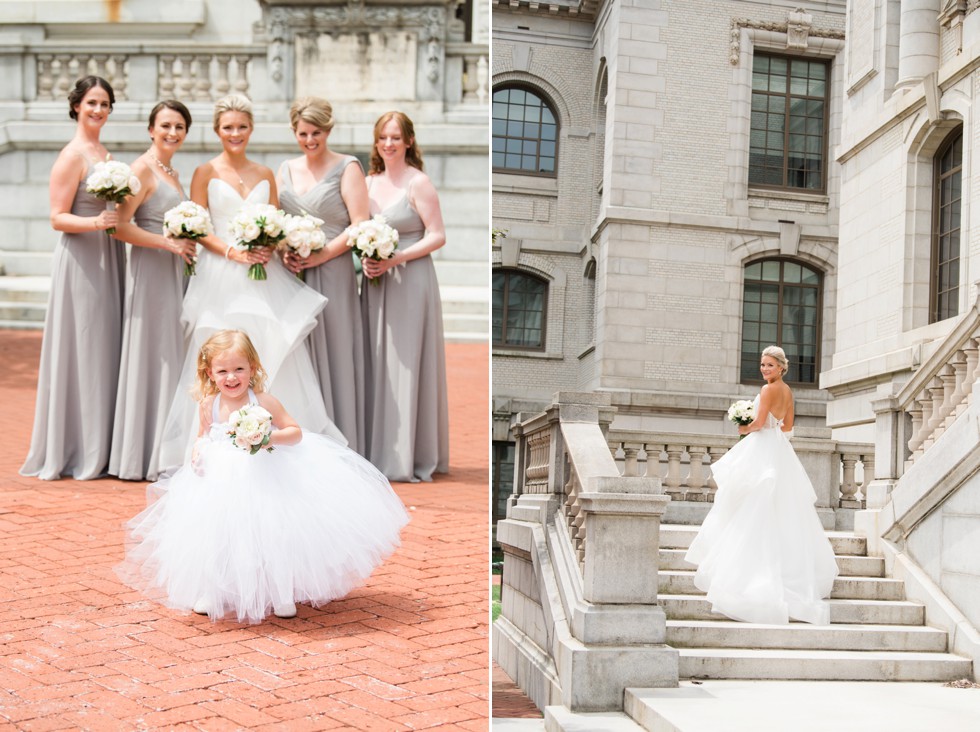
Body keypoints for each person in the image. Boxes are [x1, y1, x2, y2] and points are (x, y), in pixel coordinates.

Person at [117, 330, 409, 623]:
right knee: (220, 534)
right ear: (210, 373)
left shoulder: (265, 402)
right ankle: (214, 590)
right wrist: (197, 452)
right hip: (220, 484)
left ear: (252, 369)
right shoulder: (209, 405)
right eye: (223, 371)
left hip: (266, 479)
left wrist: (269, 437)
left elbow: (294, 433)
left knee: (274, 533)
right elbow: (203, 435)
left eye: (239, 369)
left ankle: (281, 592)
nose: (231, 378)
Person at [155, 94, 343, 474]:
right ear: (217, 131)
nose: (235, 133)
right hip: (220, 275)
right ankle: (208, 447)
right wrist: (232, 252)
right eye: (228, 128)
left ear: (251, 129)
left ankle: (272, 441)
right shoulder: (205, 172)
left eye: (242, 127)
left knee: (270, 352)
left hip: (263, 276)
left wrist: (266, 244)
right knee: (219, 358)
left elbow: (274, 223)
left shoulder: (265, 174)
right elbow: (199, 225)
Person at [685, 346, 839, 625]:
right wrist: (768, 426)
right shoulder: (789, 392)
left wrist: (744, 426)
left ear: (781, 367)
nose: (765, 369)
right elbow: (787, 425)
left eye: (770, 365)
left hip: (763, 447)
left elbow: (757, 423)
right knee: (780, 506)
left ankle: (750, 574)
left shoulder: (768, 390)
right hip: (778, 449)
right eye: (762, 365)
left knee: (752, 503)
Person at [21, 76, 125, 481]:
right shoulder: (72, 155)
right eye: (92, 102)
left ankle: (99, 441)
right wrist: (97, 220)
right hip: (82, 259)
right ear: (77, 106)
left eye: (105, 104)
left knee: (102, 346)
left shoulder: (103, 151)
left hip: (107, 255)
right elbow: (56, 217)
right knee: (83, 346)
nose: (98, 110)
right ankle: (79, 447)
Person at [109, 100, 197, 481]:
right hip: (150, 270)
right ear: (150, 129)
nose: (172, 133)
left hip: (174, 269)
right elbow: (120, 227)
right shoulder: (141, 170)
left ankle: (166, 446)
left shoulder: (172, 172)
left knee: (170, 354)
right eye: (165, 125)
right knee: (154, 353)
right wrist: (169, 244)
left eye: (179, 127)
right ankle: (141, 453)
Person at [360, 111, 449, 482]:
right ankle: (374, 448)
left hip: (411, 280)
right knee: (376, 360)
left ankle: (405, 454)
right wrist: (364, 256)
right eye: (383, 137)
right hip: (374, 282)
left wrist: (397, 256)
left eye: (396, 137)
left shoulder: (419, 183)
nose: (389, 143)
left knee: (405, 362)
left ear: (409, 141)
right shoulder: (366, 183)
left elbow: (437, 235)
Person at [279, 97, 368, 453]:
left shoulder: (348, 168)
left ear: (328, 131)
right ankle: (303, 436)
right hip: (292, 276)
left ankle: (341, 442)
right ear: (294, 132)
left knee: (335, 349)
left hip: (333, 272)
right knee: (299, 355)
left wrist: (321, 256)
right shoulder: (284, 168)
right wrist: (285, 249)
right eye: (303, 133)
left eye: (316, 133)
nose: (310, 140)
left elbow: (360, 223)